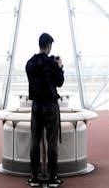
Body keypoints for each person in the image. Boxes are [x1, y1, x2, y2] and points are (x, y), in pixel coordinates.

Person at [25, 32, 65, 187]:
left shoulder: (30, 63)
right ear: (49, 46)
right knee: (52, 142)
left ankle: (34, 177)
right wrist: (60, 67)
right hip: (50, 106)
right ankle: (52, 178)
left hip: (36, 106)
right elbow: (59, 82)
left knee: (35, 142)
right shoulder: (52, 63)